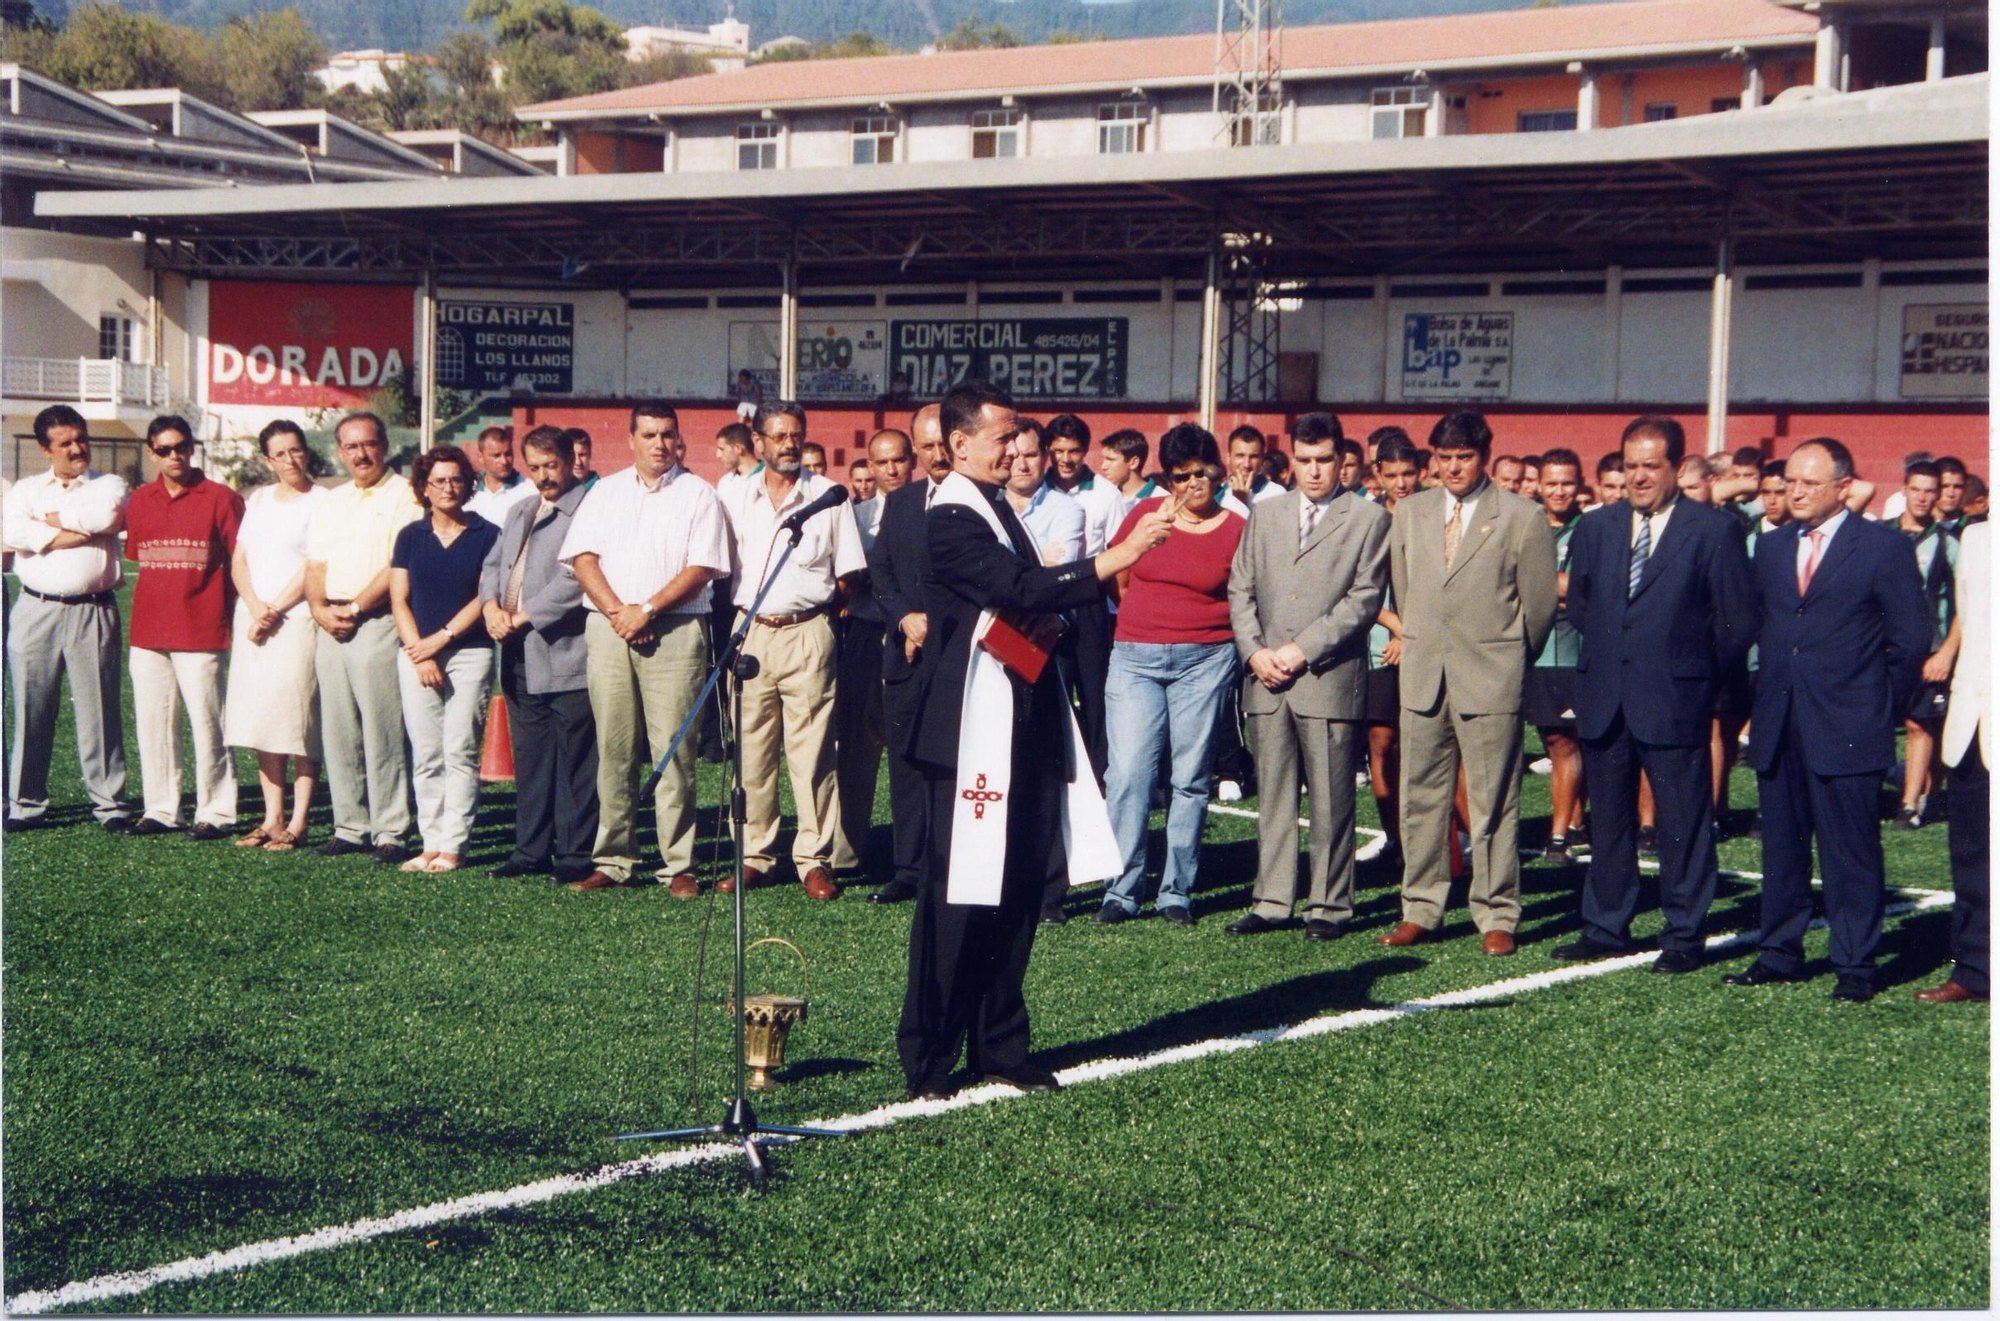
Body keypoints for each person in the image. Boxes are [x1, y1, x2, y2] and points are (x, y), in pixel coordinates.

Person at [897, 381, 1171, 1100]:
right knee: (959, 897)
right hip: (966, 731)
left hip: (1021, 719)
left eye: (1018, 434)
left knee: (1018, 890)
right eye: (1003, 436)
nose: (1018, 447)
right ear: (960, 445)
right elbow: (1022, 588)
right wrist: (1122, 554)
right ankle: (930, 1056)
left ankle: (1001, 1044)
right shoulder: (950, 514)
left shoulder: (993, 505)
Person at [1724, 438, 1930, 1002]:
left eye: (1808, 483)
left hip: (1849, 726)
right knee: (1783, 849)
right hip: (1780, 721)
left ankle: (1856, 966)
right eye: (1789, 481)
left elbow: (1910, 641)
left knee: (1851, 854)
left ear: (1844, 488)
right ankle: (1779, 952)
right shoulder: (1770, 548)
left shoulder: (1882, 548)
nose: (1794, 492)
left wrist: (1875, 706)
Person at [1552, 418, 1756, 971]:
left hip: (1675, 700)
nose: (1638, 477)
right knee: (1610, 821)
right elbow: (1587, 607)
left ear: (1676, 468)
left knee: (1682, 823)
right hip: (1606, 698)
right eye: (1630, 465)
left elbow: (1736, 622)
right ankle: (1605, 924)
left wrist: (1692, 673)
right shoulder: (1597, 528)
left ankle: (1685, 934)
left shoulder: (1712, 530)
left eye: (1651, 466)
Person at [1378, 411, 1557, 955]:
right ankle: (1421, 908)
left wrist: (1502, 659)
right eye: (1445, 458)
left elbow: (1539, 607)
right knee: (1421, 797)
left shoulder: (1522, 517)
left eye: (1465, 457)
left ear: (1484, 456)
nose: (1453, 468)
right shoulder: (1410, 512)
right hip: (1425, 675)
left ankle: (1497, 912)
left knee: (1494, 799)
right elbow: (1404, 593)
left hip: (1491, 679)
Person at [1222, 417, 1389, 938]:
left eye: (1324, 460)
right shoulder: (1265, 513)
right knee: (1272, 796)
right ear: (1290, 459)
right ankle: (1272, 900)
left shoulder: (1368, 517)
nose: (1314, 471)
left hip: (1328, 678)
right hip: (1266, 679)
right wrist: (1254, 653)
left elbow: (1363, 601)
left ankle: (1328, 906)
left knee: (1332, 798)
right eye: (1304, 460)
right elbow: (1240, 589)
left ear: (1342, 460)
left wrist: (1300, 650)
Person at [560, 402, 731, 894]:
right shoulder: (604, 492)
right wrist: (621, 612)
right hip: (611, 628)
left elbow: (702, 567)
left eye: (668, 435)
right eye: (650, 434)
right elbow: (583, 559)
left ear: (679, 440)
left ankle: (678, 865)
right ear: (631, 438)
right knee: (614, 748)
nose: (659, 444)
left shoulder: (699, 494)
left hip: (676, 629)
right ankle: (613, 858)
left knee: (673, 750)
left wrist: (648, 610)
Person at [1087, 424, 1248, 927]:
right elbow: (1118, 570)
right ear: (1169, 479)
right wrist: (1136, 610)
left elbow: (1244, 593)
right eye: (1182, 476)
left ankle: (1176, 890)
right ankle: (1123, 889)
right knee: (1129, 774)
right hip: (1136, 656)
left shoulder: (1238, 526)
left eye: (1203, 473)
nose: (1194, 484)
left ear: (1219, 473)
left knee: (1190, 777)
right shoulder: (1143, 515)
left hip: (1205, 659)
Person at [720, 401, 867, 900]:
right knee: (752, 752)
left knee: (812, 755)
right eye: (778, 435)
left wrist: (815, 616)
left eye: (796, 435)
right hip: (751, 632)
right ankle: (756, 856)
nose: (789, 443)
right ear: (757, 443)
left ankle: (813, 859)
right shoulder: (734, 495)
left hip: (809, 632)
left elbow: (848, 574)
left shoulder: (829, 496)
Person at [3, 405, 133, 833]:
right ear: (46, 449)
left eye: (81, 439)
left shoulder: (109, 482)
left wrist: (48, 527)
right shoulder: (25, 488)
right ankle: (25, 804)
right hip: (35, 609)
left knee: (100, 710)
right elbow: (12, 532)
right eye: (65, 443)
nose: (77, 448)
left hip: (93, 610)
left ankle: (109, 804)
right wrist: (78, 532)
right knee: (31, 706)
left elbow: (108, 517)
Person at [482, 426, 598, 884]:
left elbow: (576, 578)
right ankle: (530, 849)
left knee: (575, 760)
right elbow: (493, 566)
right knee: (530, 759)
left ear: (572, 461)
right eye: (535, 468)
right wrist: (491, 606)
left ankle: (574, 853)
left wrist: (524, 616)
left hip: (565, 652)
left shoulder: (588, 509)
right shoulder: (519, 509)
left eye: (552, 466)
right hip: (518, 654)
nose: (544, 476)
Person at [306, 411, 423, 864]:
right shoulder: (332, 501)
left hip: (374, 620)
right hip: (330, 621)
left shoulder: (405, 495)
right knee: (339, 730)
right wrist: (319, 608)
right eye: (351, 446)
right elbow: (315, 566)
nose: (361, 454)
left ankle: (391, 829)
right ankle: (349, 826)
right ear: (339, 451)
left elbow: (396, 566)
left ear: (385, 446)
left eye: (369, 444)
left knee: (383, 729)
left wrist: (353, 608)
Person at [121, 415, 245, 839]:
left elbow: (239, 561)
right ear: (152, 453)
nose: (176, 456)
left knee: (209, 723)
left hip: (202, 629)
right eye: (165, 449)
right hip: (148, 633)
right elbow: (141, 557)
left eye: (182, 447)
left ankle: (216, 811)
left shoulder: (221, 498)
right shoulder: (139, 501)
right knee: (153, 723)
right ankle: (160, 808)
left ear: (192, 447)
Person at [389, 447, 500, 874]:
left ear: (468, 485)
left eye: (456, 479)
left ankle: (454, 845)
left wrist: (441, 640)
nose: (448, 488)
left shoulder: (488, 534)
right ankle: (430, 841)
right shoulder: (410, 537)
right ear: (424, 487)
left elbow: (484, 595)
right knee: (427, 752)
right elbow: (400, 599)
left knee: (460, 749)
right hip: (417, 655)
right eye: (439, 480)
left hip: (468, 654)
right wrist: (420, 651)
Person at [225, 420, 328, 851]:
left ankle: (298, 822)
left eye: (296, 450)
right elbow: (240, 560)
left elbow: (313, 566)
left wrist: (274, 610)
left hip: (298, 620)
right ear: (267, 460)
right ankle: (271, 818)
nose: (290, 460)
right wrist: (254, 606)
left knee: (299, 721)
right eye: (280, 454)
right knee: (264, 721)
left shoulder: (324, 501)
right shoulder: (259, 498)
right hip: (253, 622)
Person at [866, 404, 950, 906]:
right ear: (916, 450)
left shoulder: (980, 497)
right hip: (907, 656)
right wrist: (905, 618)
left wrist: (936, 625)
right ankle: (908, 869)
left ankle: (947, 870)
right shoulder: (902, 503)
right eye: (927, 445)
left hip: (957, 654)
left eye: (943, 444)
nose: (936, 454)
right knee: (906, 766)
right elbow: (882, 576)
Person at [832, 427, 913, 875]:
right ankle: (847, 851)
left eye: (899, 459)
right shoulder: (856, 516)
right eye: (882, 463)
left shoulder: (929, 510)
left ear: (912, 460)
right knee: (858, 746)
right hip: (865, 633)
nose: (891, 469)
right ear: (870, 466)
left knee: (908, 745)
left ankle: (911, 855)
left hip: (912, 637)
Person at [1917, 520, 1987, 1003]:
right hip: (1972, 720)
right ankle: (1976, 970)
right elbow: (1968, 613)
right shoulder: (1978, 537)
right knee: (1971, 854)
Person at [1362, 428, 1422, 868]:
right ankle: (1394, 838)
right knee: (1381, 742)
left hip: (1426, 646)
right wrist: (1394, 628)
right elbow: (1359, 587)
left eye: (1408, 473)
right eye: (1392, 474)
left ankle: (1445, 837)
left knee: (1431, 745)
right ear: (1377, 474)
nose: (1400, 483)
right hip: (1380, 646)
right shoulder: (1367, 519)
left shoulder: (1434, 515)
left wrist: (1413, 634)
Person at [1529, 448, 1588, 863]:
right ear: (1540, 485)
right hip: (1530, 652)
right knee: (1552, 741)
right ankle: (1577, 822)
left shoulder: (1592, 528)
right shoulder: (1527, 525)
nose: (1560, 490)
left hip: (1572, 652)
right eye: (1552, 483)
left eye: (1567, 482)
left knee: (1564, 742)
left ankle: (1557, 837)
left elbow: (1583, 586)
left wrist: (1539, 585)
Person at [1894, 460, 1958, 830]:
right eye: (1915, 489)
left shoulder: (1948, 544)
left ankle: (1910, 804)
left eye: (1929, 490)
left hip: (1927, 652)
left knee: (1920, 725)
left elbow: (1966, 605)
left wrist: (1946, 652)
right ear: (1903, 489)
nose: (1922, 497)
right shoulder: (1881, 534)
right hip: (1881, 648)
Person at [465, 426, 535, 522]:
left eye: (508, 454)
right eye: (496, 456)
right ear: (480, 457)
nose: (504, 461)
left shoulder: (531, 491)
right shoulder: (467, 489)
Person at [1225, 425, 1287, 508]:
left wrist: (1241, 504)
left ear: (1262, 459)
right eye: (1240, 456)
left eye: (1253, 457)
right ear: (1229, 458)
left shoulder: (1276, 495)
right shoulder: (1218, 494)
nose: (1247, 464)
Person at [1099, 429, 1158, 517]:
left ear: (1133, 462)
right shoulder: (1103, 497)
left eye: (1110, 459)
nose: (1103, 467)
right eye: (1104, 459)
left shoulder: (1161, 499)